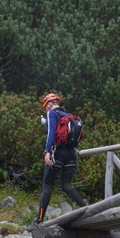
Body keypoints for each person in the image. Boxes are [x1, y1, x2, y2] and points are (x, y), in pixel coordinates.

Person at [25, 93, 87, 230]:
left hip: (57, 153)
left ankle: (39, 221)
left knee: (47, 186)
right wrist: (44, 123)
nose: (46, 109)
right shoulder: (68, 115)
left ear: (48, 104)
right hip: (71, 154)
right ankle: (86, 209)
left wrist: (48, 152)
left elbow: (52, 132)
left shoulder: (52, 113)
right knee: (66, 185)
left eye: (46, 106)